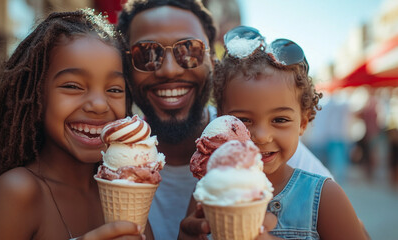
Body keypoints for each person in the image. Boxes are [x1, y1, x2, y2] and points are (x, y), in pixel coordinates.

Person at [117, 1, 332, 239]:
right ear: (126, 67)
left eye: (189, 50)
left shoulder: (266, 148)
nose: (170, 70)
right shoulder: (109, 158)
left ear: (213, 62)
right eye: (146, 53)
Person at [0, 9, 147, 240]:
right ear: (35, 96)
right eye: (72, 86)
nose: (99, 105)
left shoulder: (121, 188)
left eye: (114, 89)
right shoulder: (18, 191)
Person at [205, 25, 368, 239]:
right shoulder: (208, 190)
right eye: (243, 120)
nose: (262, 135)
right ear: (222, 119)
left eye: (280, 119)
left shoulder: (324, 197)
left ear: (303, 122)